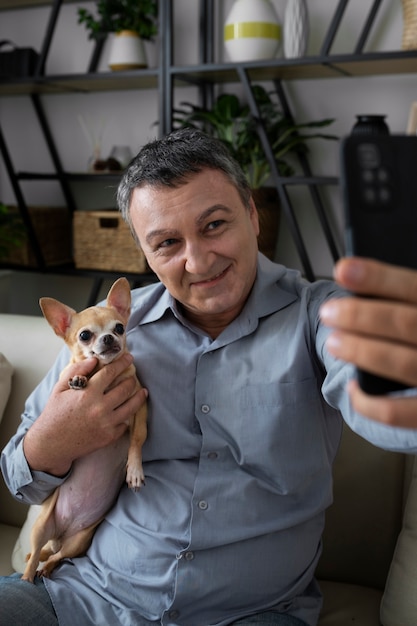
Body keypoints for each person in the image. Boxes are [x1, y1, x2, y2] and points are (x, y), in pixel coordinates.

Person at [1, 128, 417, 626]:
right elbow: (18, 479)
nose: (198, 261)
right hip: (83, 598)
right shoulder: (108, 335)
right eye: (167, 243)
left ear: (253, 216)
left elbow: (386, 403)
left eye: (215, 225)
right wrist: (56, 438)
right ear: (146, 256)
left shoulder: (319, 316)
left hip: (252, 614)